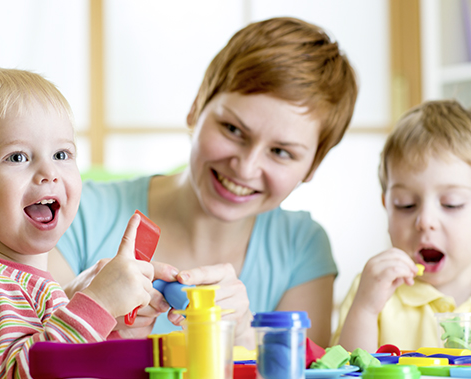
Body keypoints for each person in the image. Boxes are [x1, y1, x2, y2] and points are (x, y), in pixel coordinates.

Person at [50, 17, 358, 349]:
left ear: (313, 165)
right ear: (196, 107)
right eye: (233, 130)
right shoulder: (76, 211)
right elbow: (22, 365)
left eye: (281, 152)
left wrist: (244, 338)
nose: (246, 167)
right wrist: (81, 305)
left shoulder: (302, 246)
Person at [0, 68, 161, 379]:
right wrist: (99, 303)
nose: (49, 172)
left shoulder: (34, 284)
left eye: (61, 154)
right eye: (18, 157)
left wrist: (115, 326)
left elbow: (73, 369)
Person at [333, 99, 471, 352]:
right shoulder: (372, 289)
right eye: (406, 205)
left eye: (452, 204)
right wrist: (365, 310)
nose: (425, 222)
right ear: (386, 205)